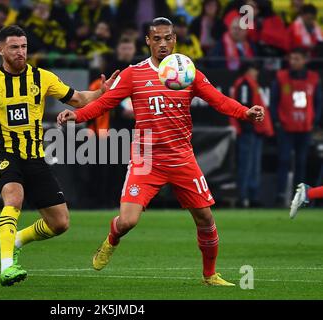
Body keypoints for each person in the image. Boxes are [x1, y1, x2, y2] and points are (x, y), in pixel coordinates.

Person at [57, 17, 265, 286]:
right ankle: (112, 238)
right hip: (146, 158)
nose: (163, 43)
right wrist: (77, 116)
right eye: (157, 38)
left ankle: (210, 275)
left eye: (168, 38)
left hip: (181, 156)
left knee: (205, 218)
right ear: (148, 41)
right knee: (128, 222)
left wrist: (245, 113)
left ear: (175, 40)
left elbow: (219, 100)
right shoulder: (133, 73)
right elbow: (105, 102)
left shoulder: (188, 71)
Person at [0, 25, 119, 286]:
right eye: (14, 47)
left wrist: (101, 92)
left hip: (34, 157)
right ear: (0, 49)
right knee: (13, 197)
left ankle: (16, 239)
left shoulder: (42, 78)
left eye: (24, 47)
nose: (20, 52)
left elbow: (79, 99)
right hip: (4, 153)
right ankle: (6, 266)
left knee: (60, 223)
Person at [270, 47, 322, 206]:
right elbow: (273, 102)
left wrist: (314, 121)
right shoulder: (281, 77)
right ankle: (280, 196)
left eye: (297, 59)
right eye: (291, 58)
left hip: (305, 128)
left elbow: (319, 103)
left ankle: (299, 198)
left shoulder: (314, 78)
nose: (293, 62)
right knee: (284, 161)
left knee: (301, 162)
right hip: (286, 128)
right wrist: (277, 122)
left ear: (305, 60)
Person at [229, 61, 274, 208]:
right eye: (254, 69)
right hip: (249, 132)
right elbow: (244, 105)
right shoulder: (244, 84)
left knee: (253, 166)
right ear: (248, 71)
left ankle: (252, 196)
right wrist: (248, 128)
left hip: (255, 132)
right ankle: (243, 197)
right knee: (247, 166)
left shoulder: (250, 83)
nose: (256, 73)